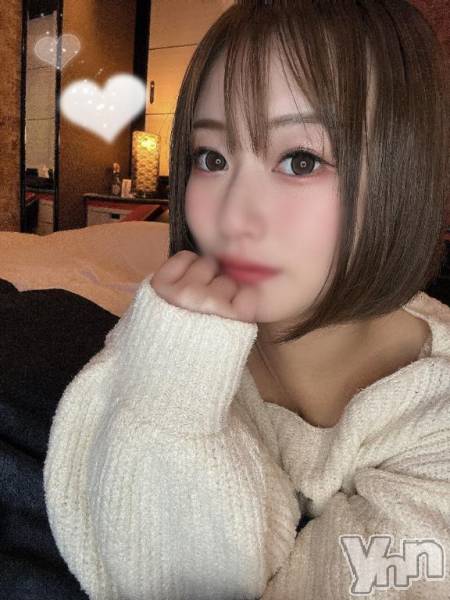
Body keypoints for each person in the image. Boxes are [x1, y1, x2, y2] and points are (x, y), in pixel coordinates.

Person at [44, 1, 450, 598]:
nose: (232, 216)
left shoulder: (435, 416)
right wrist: (173, 396)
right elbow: (149, 566)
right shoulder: (172, 328)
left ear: (405, 174)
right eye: (212, 158)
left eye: (300, 160)